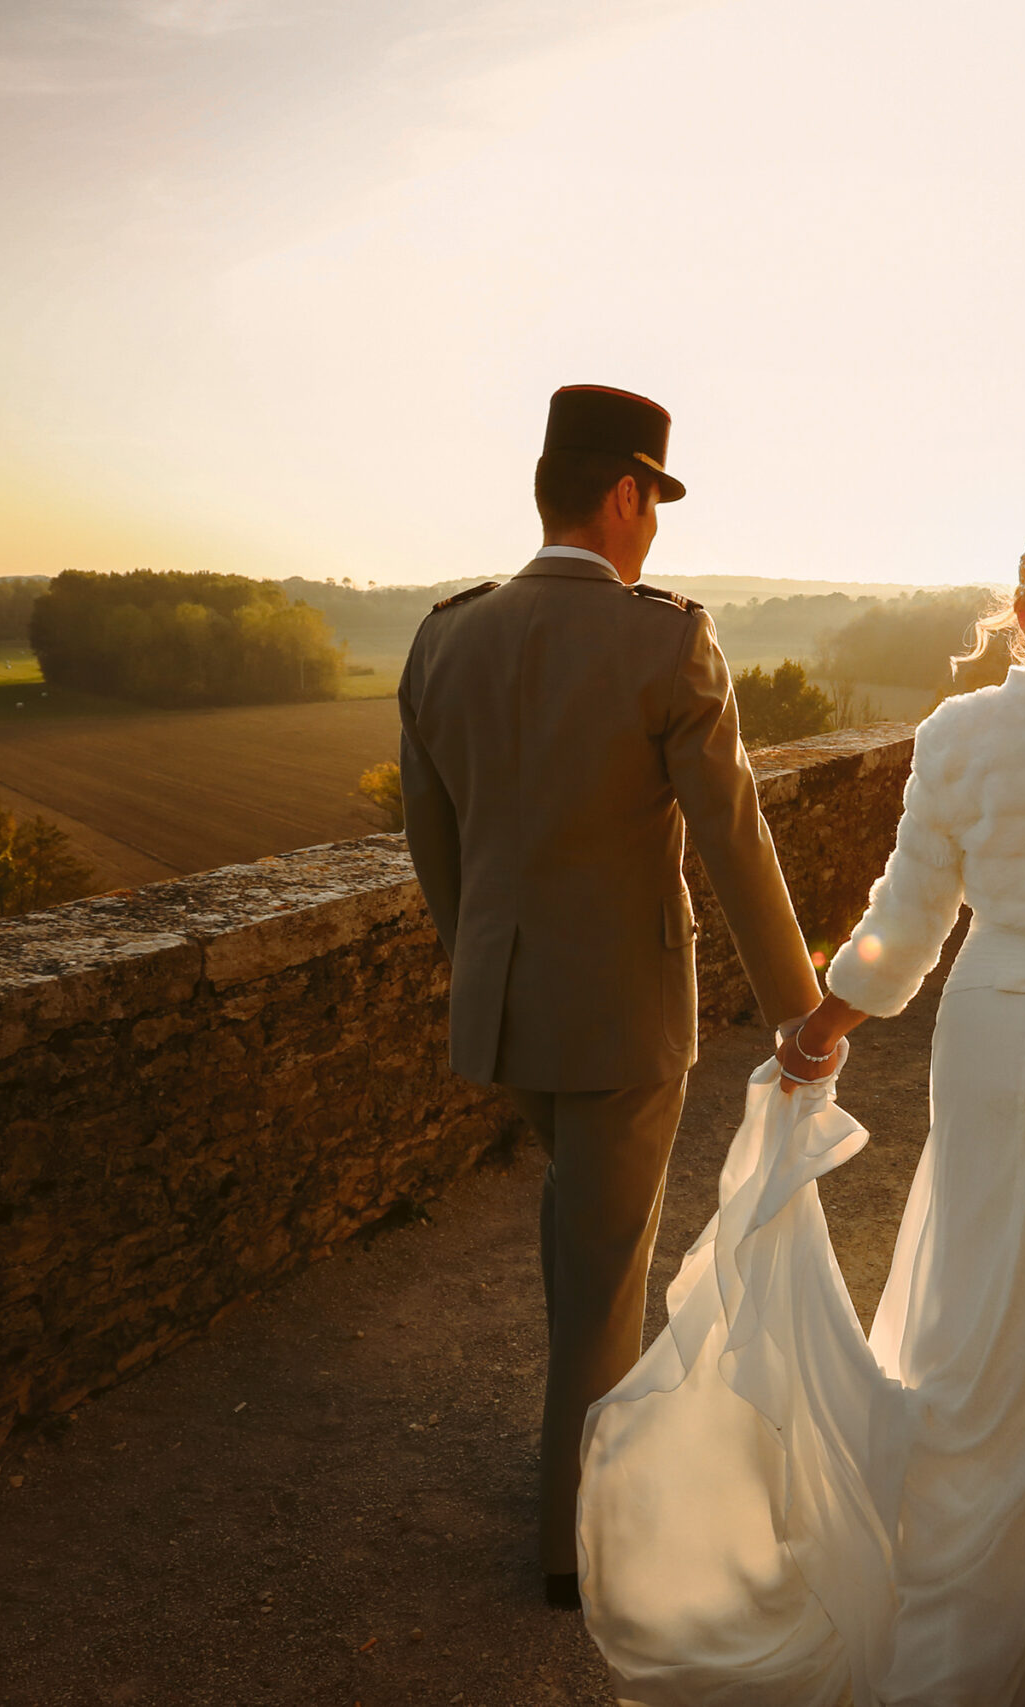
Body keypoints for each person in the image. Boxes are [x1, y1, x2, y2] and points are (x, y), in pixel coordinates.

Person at [577, 517, 1025, 1706]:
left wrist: (826, 1023)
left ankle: (948, 1561)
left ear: (1022, 613)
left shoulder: (956, 733)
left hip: (989, 1029)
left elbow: (904, 921)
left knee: (976, 1300)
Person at [395, 384, 825, 1613]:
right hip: (625, 1019)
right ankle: (576, 1545)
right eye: (655, 504)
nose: (655, 533)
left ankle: (582, 1466)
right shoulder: (663, 639)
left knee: (576, 1241)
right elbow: (732, 832)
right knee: (599, 1276)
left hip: (505, 1010)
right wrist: (798, 1004)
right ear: (625, 494)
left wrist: (480, 959)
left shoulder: (444, 635)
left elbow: (433, 838)